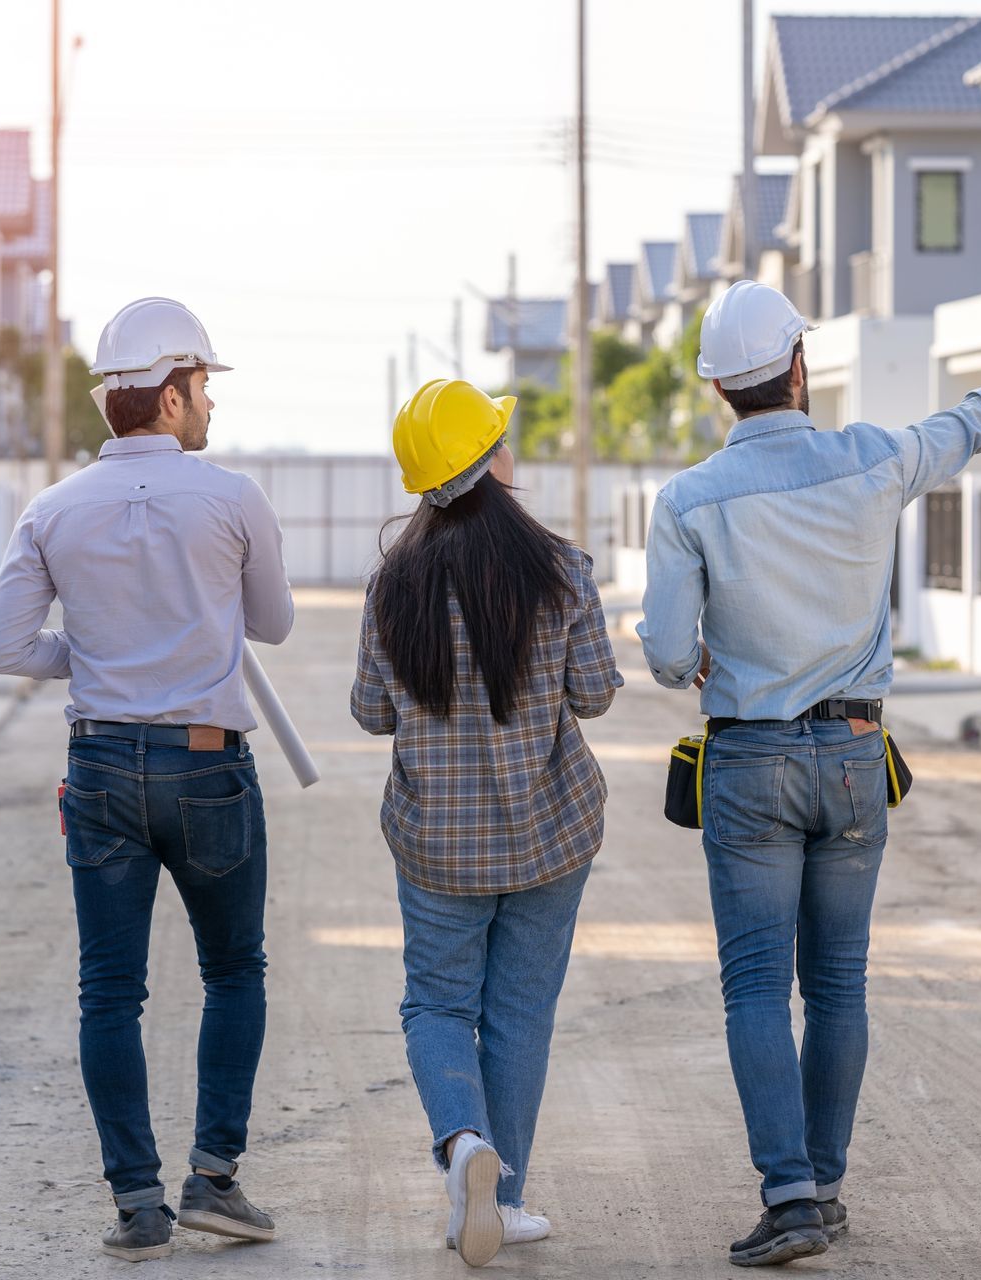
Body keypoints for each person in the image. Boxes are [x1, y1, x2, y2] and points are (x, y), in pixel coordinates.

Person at [638, 281, 981, 1267]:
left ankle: (788, 1196)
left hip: (749, 760)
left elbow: (662, 652)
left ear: (720, 391)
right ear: (799, 368)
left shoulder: (688, 500)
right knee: (840, 983)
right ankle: (822, 1180)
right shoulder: (873, 460)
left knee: (754, 986)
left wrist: (688, 646)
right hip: (859, 757)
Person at [0, 297, 295, 1264]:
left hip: (103, 765)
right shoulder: (233, 498)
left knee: (109, 993)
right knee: (233, 970)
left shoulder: (53, 510)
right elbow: (272, 625)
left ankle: (139, 1208)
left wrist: (90, 653)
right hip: (207, 765)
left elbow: (3, 649)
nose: (210, 407)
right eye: (202, 387)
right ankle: (214, 1178)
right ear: (167, 392)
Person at [350, 379, 623, 1268]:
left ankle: (464, 1144)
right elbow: (593, 695)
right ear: (490, 463)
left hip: (437, 844)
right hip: (550, 835)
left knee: (436, 1002)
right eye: (503, 438)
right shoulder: (562, 571)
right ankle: (499, 1202)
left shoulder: (394, 587)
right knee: (519, 1016)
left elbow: (371, 714)